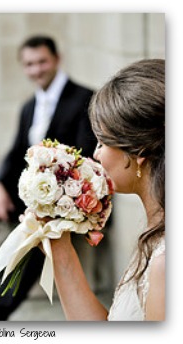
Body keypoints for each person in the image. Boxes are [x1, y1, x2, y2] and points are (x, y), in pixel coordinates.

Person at [0, 35, 97, 319]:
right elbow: (15, 153)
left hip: (65, 197)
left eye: (42, 61)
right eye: (29, 64)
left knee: (36, 236)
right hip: (23, 191)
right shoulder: (29, 106)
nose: (36, 70)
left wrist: (46, 203)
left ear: (57, 59)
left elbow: (85, 157)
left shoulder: (84, 98)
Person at [47, 59, 165, 321]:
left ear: (139, 152)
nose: (95, 154)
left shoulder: (166, 263)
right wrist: (59, 247)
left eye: (102, 141)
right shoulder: (156, 231)